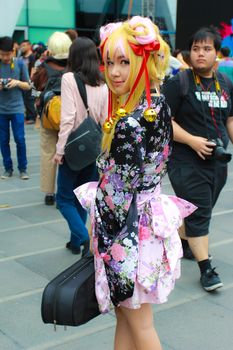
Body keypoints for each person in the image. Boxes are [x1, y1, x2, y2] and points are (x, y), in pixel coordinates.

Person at [74, 16, 196, 350]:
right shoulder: (157, 105)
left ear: (144, 60)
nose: (114, 72)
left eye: (124, 62)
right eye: (109, 62)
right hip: (147, 226)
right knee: (130, 319)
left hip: (126, 233)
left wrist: (93, 224)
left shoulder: (129, 121)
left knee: (138, 323)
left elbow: (117, 192)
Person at [163, 26, 233, 292]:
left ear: (217, 53)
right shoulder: (179, 82)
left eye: (207, 49)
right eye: (195, 49)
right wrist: (192, 141)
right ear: (189, 53)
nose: (200, 54)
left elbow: (230, 119)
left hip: (217, 162)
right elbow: (164, 120)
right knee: (200, 210)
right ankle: (207, 270)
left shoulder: (225, 84)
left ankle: (182, 244)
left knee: (197, 210)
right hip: (185, 160)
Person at [53, 37, 108, 256]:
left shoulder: (68, 78)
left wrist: (59, 150)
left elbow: (68, 118)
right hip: (94, 147)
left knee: (64, 198)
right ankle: (76, 242)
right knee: (83, 196)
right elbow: (105, 120)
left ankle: (84, 237)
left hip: (74, 147)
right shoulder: (103, 82)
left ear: (73, 56)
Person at [32, 32, 72, 205]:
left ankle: (49, 193)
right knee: (68, 154)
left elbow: (35, 87)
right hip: (69, 118)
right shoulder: (74, 68)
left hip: (48, 118)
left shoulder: (43, 68)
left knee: (48, 153)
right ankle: (67, 189)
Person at [0, 36, 30, 180]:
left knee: (20, 139)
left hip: (17, 108)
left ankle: (23, 169)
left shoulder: (20, 63)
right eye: (2, 54)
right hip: (1, 110)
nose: (5, 57)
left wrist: (17, 82)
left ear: (13, 51)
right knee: (3, 140)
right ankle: (8, 168)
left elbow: (28, 85)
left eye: (7, 54)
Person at [20, 39, 37, 124]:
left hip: (31, 81)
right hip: (23, 82)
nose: (22, 47)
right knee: (25, 99)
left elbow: (34, 69)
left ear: (29, 46)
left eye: (24, 45)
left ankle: (32, 117)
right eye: (21, 45)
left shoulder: (32, 56)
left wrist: (31, 80)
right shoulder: (21, 57)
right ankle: (28, 116)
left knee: (30, 99)